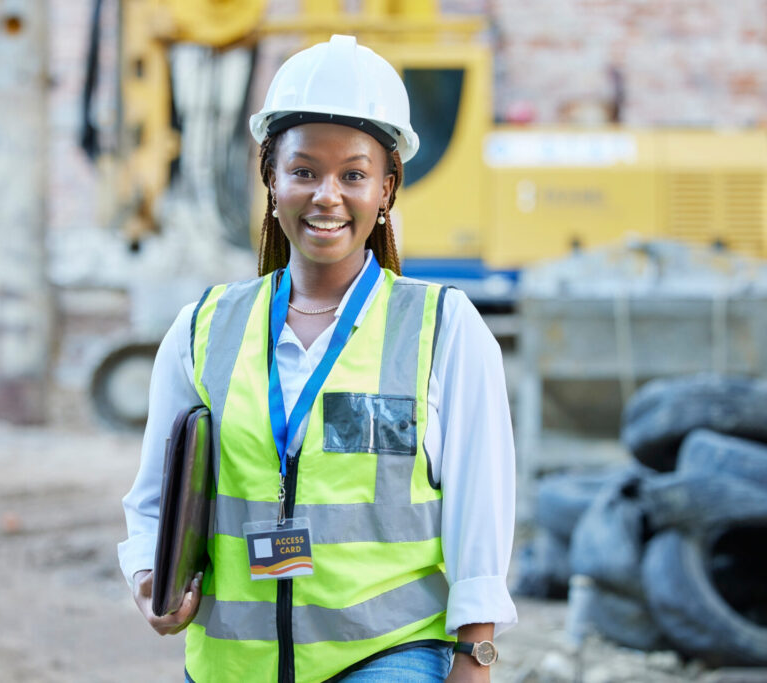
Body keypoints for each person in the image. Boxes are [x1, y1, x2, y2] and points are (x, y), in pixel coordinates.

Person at [118, 35, 517, 683]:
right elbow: (151, 501)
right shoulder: (203, 327)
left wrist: (475, 655)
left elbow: (481, 503)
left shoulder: (443, 328)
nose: (327, 194)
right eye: (304, 170)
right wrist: (147, 575)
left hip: (385, 651)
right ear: (271, 179)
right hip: (231, 665)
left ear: (387, 189)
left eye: (353, 174)